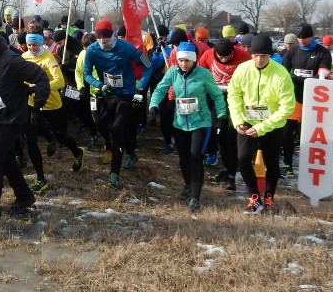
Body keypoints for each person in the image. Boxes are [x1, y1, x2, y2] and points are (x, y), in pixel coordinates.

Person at [0, 22, 48, 230]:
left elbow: (40, 76)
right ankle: (24, 195)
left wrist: (37, 104)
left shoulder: (11, 60)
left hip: (13, 118)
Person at [150, 42, 226, 212]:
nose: (183, 64)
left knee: (195, 157)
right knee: (183, 157)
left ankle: (195, 197)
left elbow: (217, 96)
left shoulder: (204, 74)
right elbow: (160, 89)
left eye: (187, 61)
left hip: (200, 122)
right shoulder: (173, 72)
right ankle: (187, 184)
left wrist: (221, 115)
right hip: (180, 123)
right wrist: (154, 104)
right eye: (181, 60)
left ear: (194, 60)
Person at [226, 33, 296, 214]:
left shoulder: (281, 74)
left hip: (272, 125)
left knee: (271, 163)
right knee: (242, 158)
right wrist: (238, 120)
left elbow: (287, 107)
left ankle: (269, 196)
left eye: (263, 56)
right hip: (248, 122)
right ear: (250, 53)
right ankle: (254, 197)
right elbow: (234, 96)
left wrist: (262, 128)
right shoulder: (242, 69)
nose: (258, 59)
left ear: (270, 55)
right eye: (255, 55)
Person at [82, 18, 152, 190]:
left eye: (106, 37)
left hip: (127, 94)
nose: (103, 41)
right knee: (100, 124)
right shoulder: (92, 50)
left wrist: (141, 87)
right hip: (108, 94)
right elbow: (86, 74)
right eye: (99, 38)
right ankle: (132, 152)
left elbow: (148, 66)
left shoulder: (127, 47)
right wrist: (99, 85)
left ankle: (114, 173)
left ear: (112, 34)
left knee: (118, 129)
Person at [21, 25, 85, 194]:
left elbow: (60, 82)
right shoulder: (24, 57)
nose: (32, 49)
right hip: (32, 103)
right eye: (29, 45)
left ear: (41, 43)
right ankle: (41, 179)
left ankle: (77, 152)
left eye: (35, 45)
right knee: (31, 139)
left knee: (61, 136)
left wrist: (37, 87)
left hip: (52, 104)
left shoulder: (49, 59)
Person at [198, 38, 251, 191]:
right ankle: (226, 167)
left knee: (230, 135)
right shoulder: (208, 55)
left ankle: (232, 173)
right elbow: (200, 71)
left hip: (235, 99)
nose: (223, 60)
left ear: (232, 52)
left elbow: (251, 75)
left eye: (227, 57)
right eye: (220, 57)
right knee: (218, 132)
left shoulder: (243, 56)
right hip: (214, 97)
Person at [281, 23, 332, 177]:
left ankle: (309, 166)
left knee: (309, 136)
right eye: (299, 38)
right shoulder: (292, 51)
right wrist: (294, 79)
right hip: (294, 99)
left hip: (314, 101)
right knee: (286, 134)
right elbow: (284, 72)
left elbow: (323, 76)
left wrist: (300, 79)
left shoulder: (322, 52)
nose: (301, 41)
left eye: (305, 38)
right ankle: (288, 164)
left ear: (311, 36)